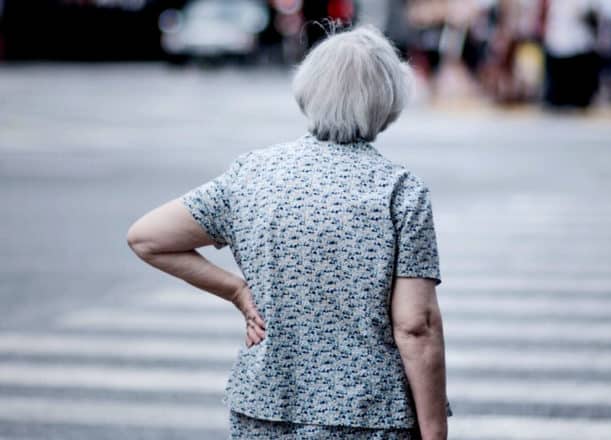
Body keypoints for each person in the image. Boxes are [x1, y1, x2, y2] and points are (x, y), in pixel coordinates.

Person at [127, 26, 451, 440]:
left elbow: (147, 238)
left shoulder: (252, 174)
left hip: (263, 407)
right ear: (387, 100)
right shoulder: (400, 191)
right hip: (368, 414)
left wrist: (237, 291)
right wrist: (435, 431)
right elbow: (416, 327)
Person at [543, 0, 602, 109]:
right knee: (557, 99)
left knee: (578, 97)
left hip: (578, 48)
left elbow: (595, 16)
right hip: (557, 46)